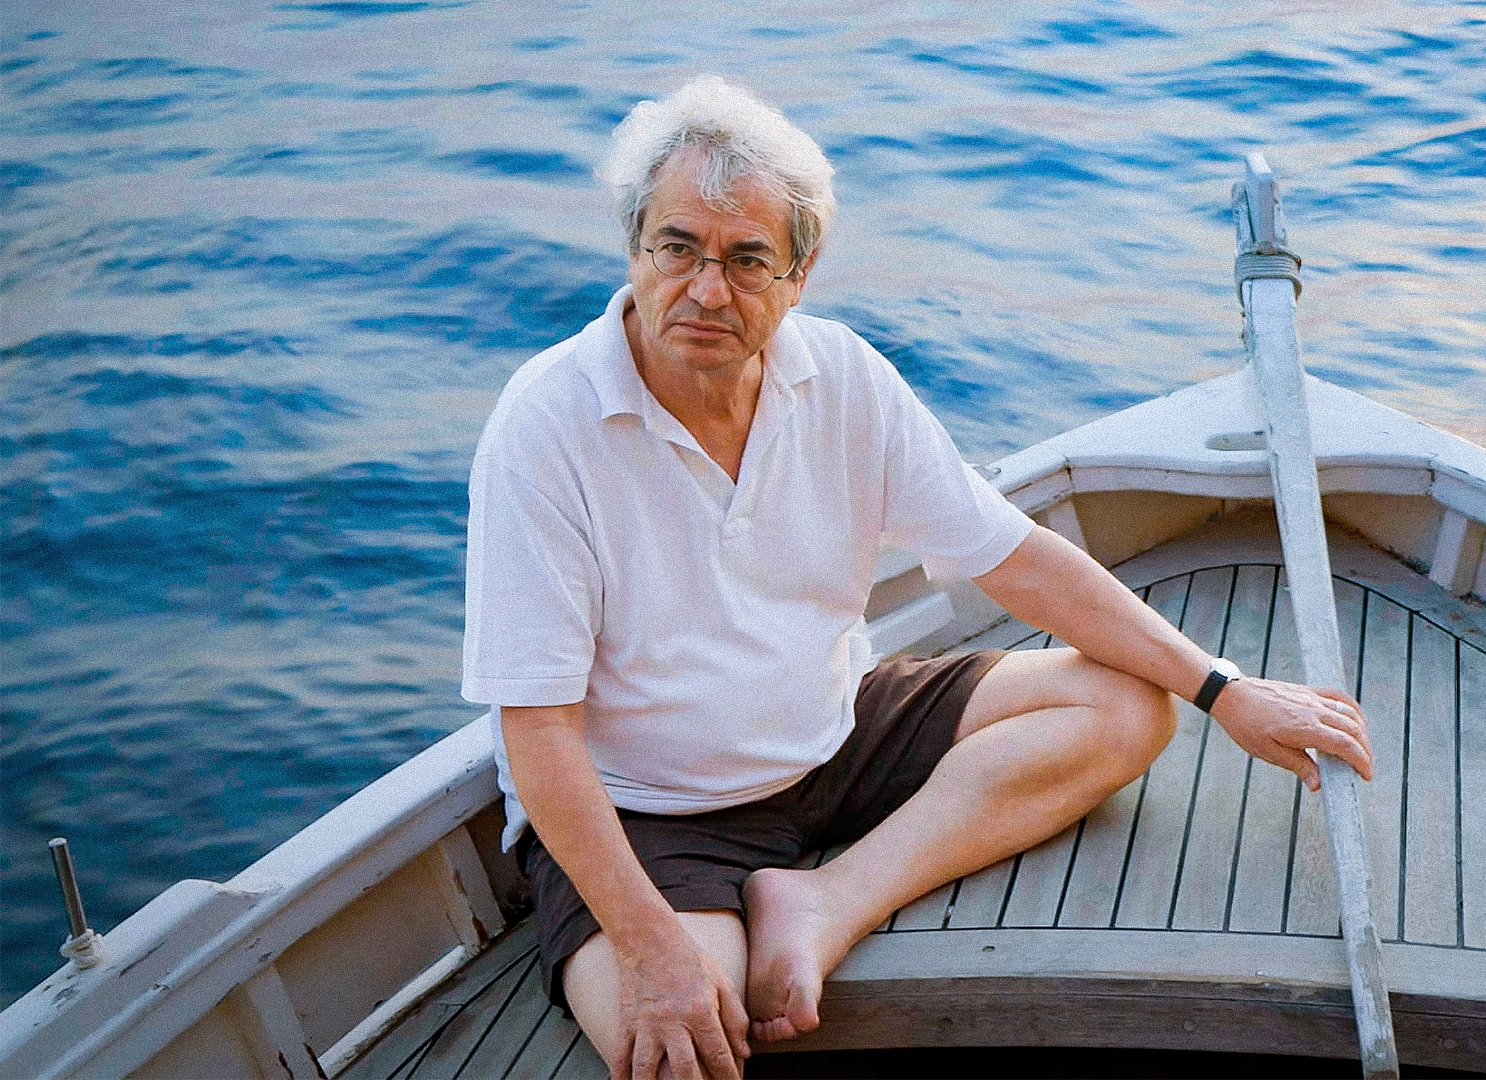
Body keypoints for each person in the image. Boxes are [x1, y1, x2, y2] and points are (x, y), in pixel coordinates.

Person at [461, 75, 1374, 1080]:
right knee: (683, 1043)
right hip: (650, 808)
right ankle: (720, 929)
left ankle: (826, 900)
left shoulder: (842, 377)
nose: (706, 290)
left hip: (832, 729)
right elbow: (536, 731)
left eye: (746, 258)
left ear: (800, 273)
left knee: (1129, 708)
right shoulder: (546, 425)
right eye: (676, 249)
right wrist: (650, 948)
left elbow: (1016, 557)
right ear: (635, 249)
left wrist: (1225, 688)